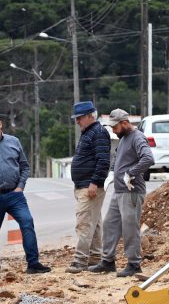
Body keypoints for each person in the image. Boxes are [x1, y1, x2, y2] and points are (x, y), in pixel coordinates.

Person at [0, 112, 51, 280]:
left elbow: (24, 167)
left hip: (15, 195)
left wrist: (20, 187)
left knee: (27, 223)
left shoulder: (14, 142)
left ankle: (33, 264)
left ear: (0, 125)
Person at [88, 108, 154, 277]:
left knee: (130, 227)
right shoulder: (123, 138)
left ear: (124, 123)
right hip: (119, 191)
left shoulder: (137, 137)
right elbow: (117, 159)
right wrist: (112, 172)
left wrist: (131, 173)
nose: (113, 130)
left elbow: (148, 158)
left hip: (131, 191)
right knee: (110, 224)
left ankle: (134, 264)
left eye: (115, 127)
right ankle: (108, 261)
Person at [66, 101, 111, 274]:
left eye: (80, 118)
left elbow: (103, 160)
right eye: (76, 118)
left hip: (90, 186)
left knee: (84, 223)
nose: (77, 121)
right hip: (84, 185)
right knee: (94, 223)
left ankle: (80, 261)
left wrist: (95, 182)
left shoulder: (98, 133)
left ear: (91, 115)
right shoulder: (88, 133)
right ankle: (94, 258)